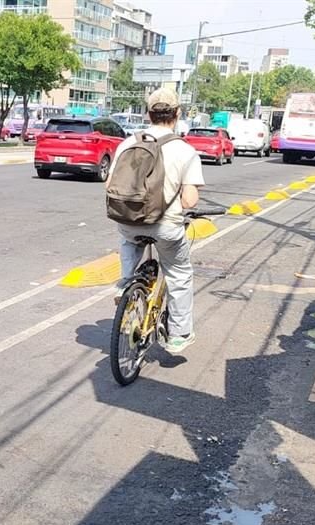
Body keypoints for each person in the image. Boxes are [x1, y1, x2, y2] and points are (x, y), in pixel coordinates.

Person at [108, 87, 205, 354]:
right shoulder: (184, 151)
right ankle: (179, 334)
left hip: (127, 219)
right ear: (177, 114)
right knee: (179, 275)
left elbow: (109, 184)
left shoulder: (127, 144)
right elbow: (189, 201)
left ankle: (126, 283)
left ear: (148, 113)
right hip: (166, 226)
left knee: (129, 240)